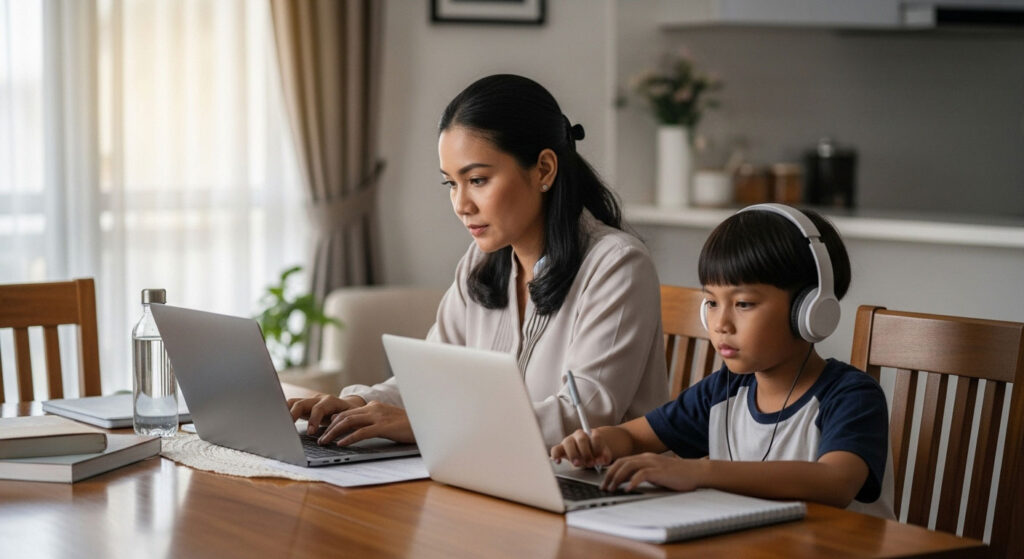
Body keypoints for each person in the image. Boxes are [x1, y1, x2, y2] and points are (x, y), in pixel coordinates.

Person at [289, 74, 669, 448]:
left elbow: (583, 418)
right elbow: (432, 376)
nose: (461, 205)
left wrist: (426, 424)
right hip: (490, 472)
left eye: (477, 180)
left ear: (544, 169)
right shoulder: (481, 262)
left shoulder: (617, 265)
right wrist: (358, 403)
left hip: (588, 482)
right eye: (451, 183)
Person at [550, 204, 895, 519]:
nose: (720, 324)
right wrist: (599, 442)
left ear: (809, 311)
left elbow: (835, 482)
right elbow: (633, 438)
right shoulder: (723, 392)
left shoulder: (851, 395)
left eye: (743, 304)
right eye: (712, 303)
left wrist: (700, 471)